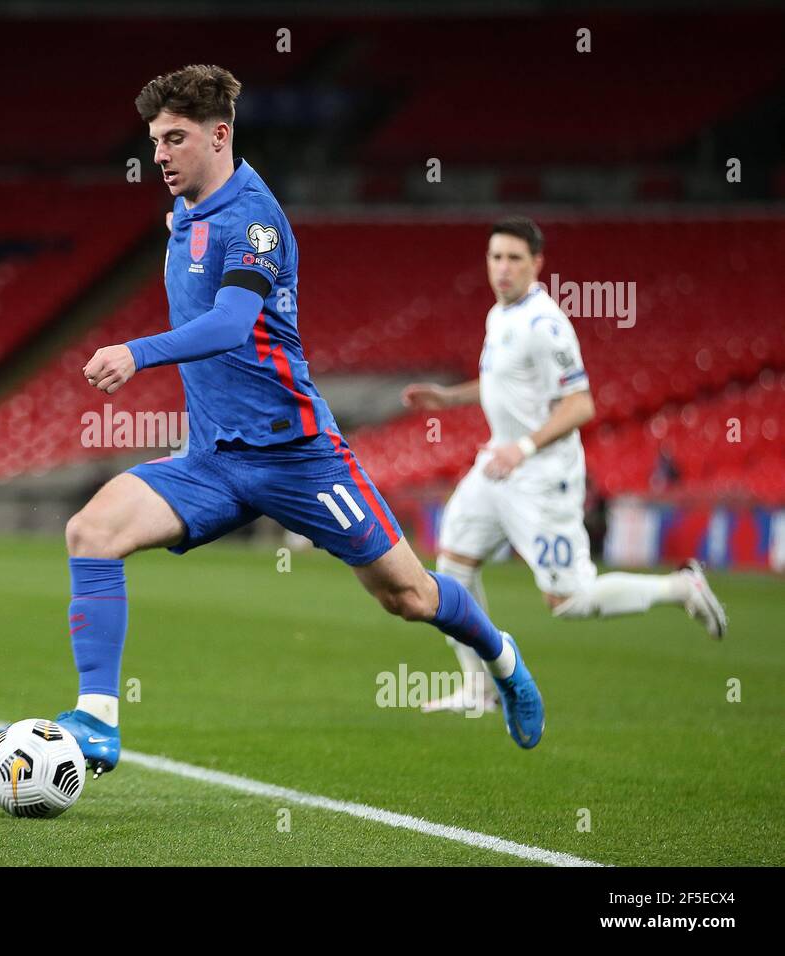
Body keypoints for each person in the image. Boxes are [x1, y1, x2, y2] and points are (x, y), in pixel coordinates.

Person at [53, 66, 545, 775]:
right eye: (154, 140)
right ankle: (97, 721)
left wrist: (136, 352)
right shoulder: (188, 212)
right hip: (213, 460)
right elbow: (196, 254)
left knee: (406, 596)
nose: (158, 154)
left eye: (175, 139)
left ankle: (504, 660)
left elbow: (231, 322)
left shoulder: (254, 219)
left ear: (219, 135)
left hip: (299, 458)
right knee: (90, 532)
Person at [402, 216, 727, 714]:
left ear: (537, 265)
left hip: (541, 473)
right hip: (499, 463)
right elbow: (503, 382)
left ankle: (681, 586)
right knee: (453, 565)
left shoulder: (546, 325)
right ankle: (477, 688)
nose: (503, 269)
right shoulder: (500, 314)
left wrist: (524, 448)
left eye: (514, 259)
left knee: (568, 600)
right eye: (496, 257)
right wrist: (447, 398)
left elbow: (580, 404)